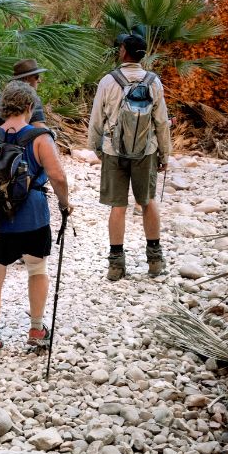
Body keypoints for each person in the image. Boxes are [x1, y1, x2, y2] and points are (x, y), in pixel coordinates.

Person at [0, 81, 71, 361]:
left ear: (3, 108)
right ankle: (36, 330)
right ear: (30, 107)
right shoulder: (41, 138)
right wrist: (64, 203)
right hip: (32, 218)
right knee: (37, 269)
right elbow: (58, 177)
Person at [87, 32, 171, 281]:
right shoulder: (154, 82)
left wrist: (97, 148)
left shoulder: (108, 81)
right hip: (146, 150)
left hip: (113, 150)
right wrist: (165, 154)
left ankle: (115, 265)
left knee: (118, 206)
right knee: (148, 202)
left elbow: (96, 119)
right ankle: (155, 261)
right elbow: (161, 122)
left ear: (123, 51)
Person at [0, 59, 49, 131]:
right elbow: (39, 126)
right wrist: (52, 133)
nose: (39, 80)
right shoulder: (31, 98)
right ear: (27, 78)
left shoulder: (2, 96)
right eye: (37, 77)